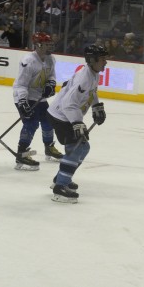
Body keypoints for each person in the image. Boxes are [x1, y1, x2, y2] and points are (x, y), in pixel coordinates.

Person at [46, 45, 108, 203]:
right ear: (92, 60)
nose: (105, 62)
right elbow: (67, 104)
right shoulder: (84, 77)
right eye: (102, 59)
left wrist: (96, 106)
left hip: (66, 117)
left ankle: (61, 178)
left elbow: (92, 92)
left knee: (83, 148)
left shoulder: (93, 74)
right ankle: (60, 187)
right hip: (61, 117)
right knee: (75, 149)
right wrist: (77, 123)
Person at [11, 32, 63, 171]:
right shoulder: (28, 61)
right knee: (31, 123)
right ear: (38, 45)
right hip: (24, 97)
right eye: (47, 44)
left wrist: (50, 85)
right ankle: (22, 153)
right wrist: (23, 102)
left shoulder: (51, 58)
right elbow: (21, 85)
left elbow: (51, 75)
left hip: (39, 97)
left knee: (48, 121)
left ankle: (49, 147)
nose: (50, 46)